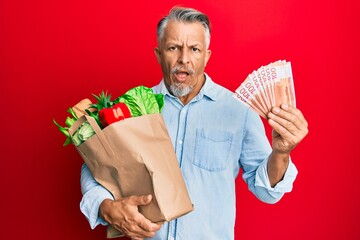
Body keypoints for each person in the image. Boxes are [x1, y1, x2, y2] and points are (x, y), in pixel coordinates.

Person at [80, 6, 308, 240]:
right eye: (173, 48)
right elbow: (96, 165)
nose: (184, 59)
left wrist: (281, 152)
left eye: (194, 49)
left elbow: (266, 192)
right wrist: (104, 206)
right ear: (159, 54)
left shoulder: (240, 110)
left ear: (207, 56)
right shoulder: (133, 107)